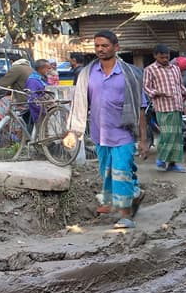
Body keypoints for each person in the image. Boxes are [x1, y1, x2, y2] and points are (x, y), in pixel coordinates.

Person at [62, 30, 146, 229]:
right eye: (97, 46)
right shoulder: (87, 74)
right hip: (100, 134)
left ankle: (125, 215)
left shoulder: (131, 74)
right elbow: (80, 103)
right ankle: (134, 193)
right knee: (107, 172)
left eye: (105, 45)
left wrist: (144, 139)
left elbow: (141, 107)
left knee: (121, 171)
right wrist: (73, 131)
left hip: (124, 133)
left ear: (116, 48)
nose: (100, 49)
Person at [143, 43, 186, 172]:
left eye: (167, 57)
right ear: (155, 56)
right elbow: (146, 87)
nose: (165, 59)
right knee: (168, 134)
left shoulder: (175, 69)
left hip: (177, 105)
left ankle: (172, 164)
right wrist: (156, 93)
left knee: (177, 136)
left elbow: (180, 85)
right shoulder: (150, 69)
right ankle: (162, 158)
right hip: (163, 107)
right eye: (162, 57)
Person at [25, 59, 50, 124]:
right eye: (48, 68)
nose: (49, 70)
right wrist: (44, 110)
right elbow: (32, 99)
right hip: (39, 114)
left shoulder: (42, 79)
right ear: (41, 69)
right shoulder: (33, 81)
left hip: (45, 110)